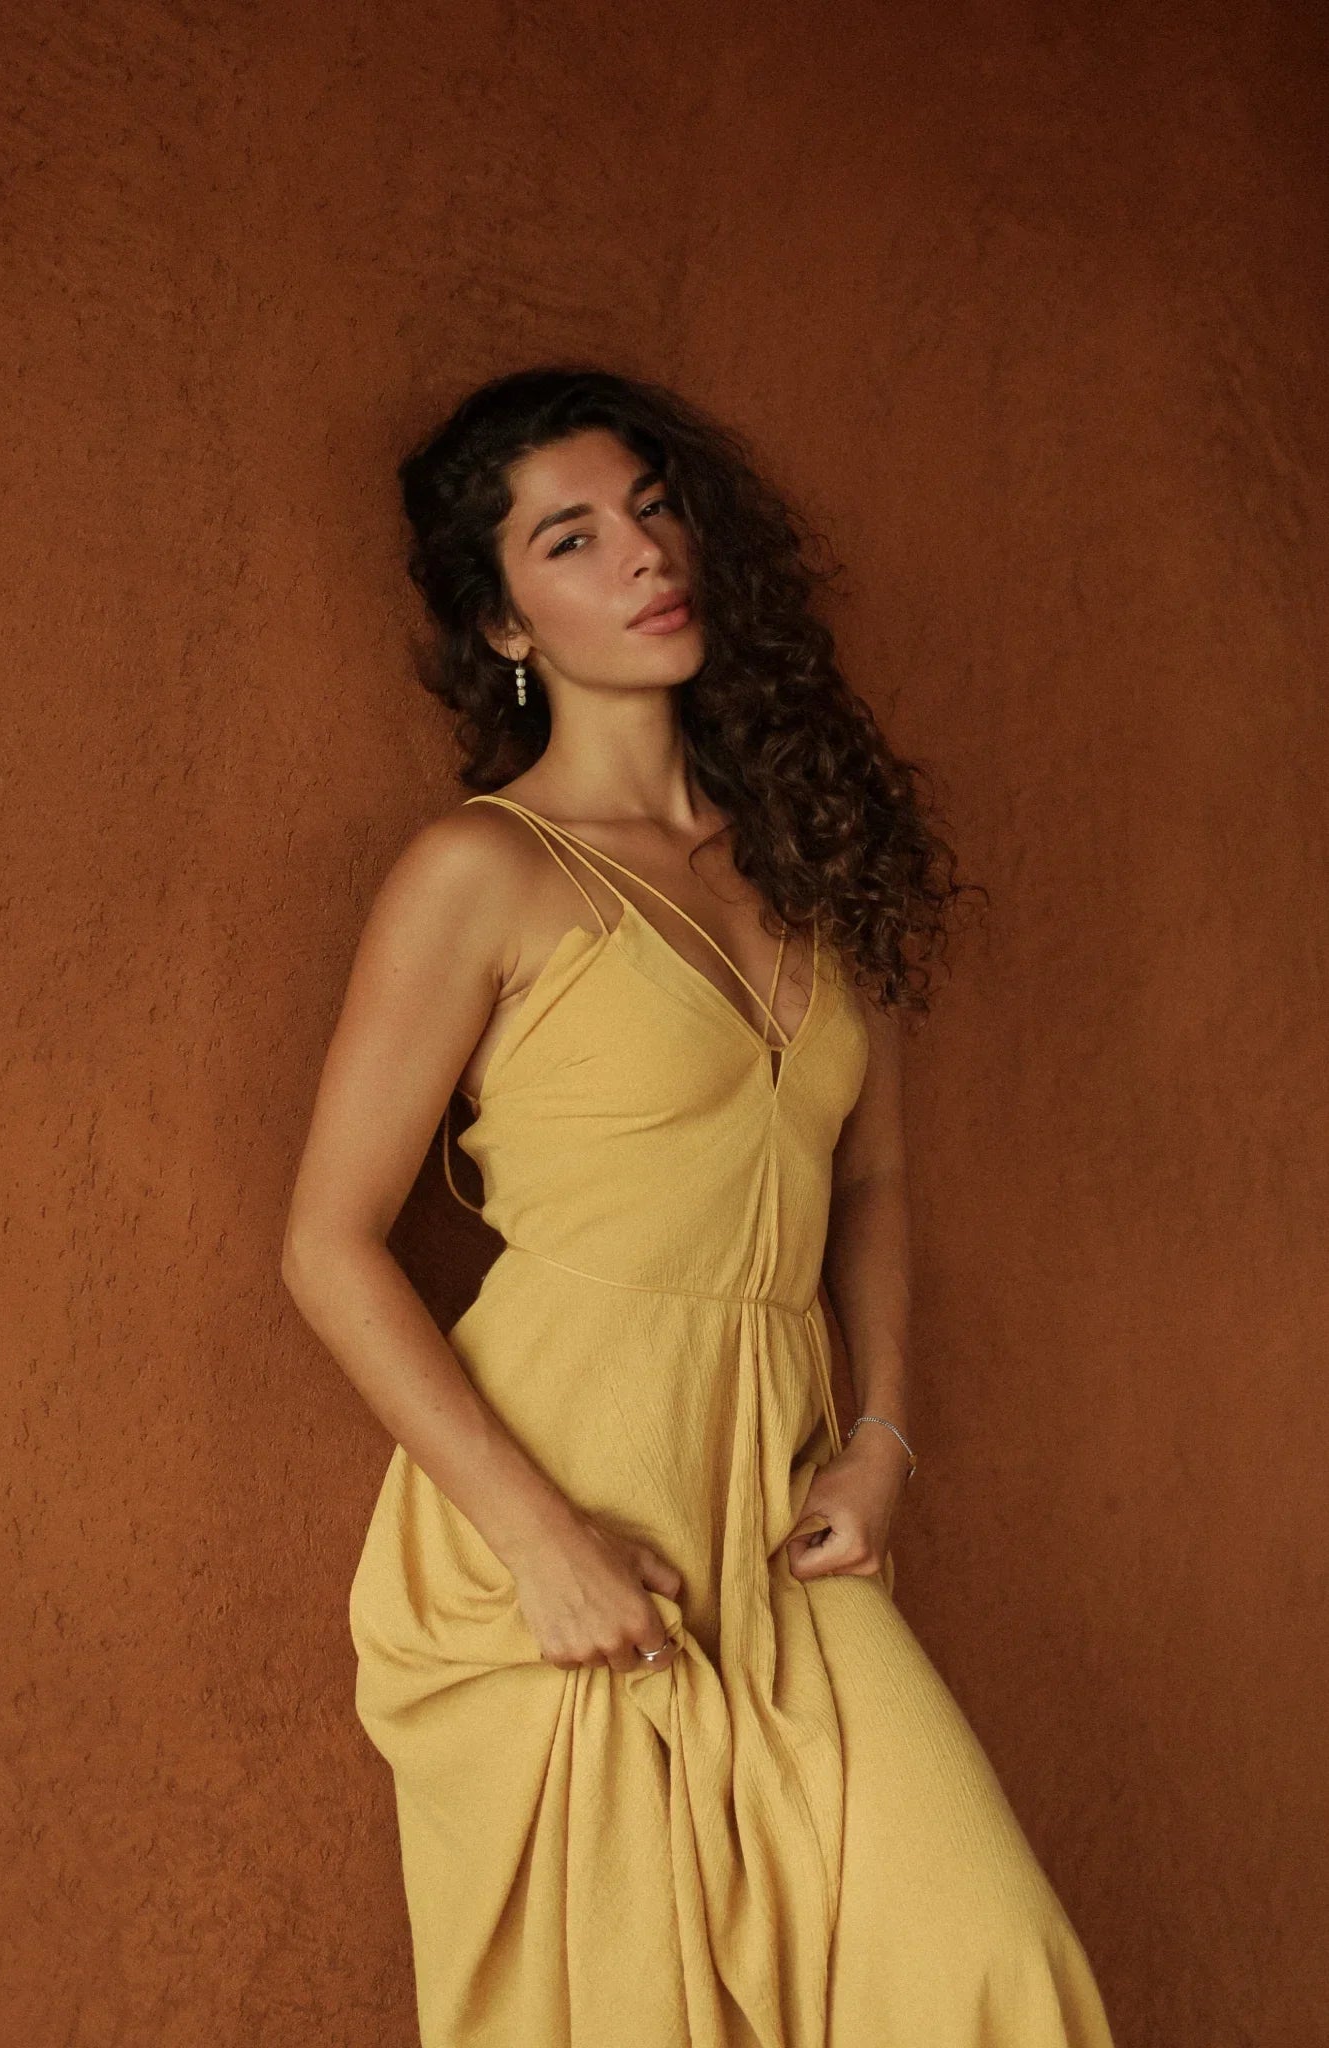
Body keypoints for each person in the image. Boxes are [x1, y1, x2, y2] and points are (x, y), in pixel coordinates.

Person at [280, 366, 1117, 2047]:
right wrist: (542, 1545)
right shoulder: (483, 872)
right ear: (502, 618)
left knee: (991, 1967)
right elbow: (325, 1243)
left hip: (780, 1516)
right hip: (566, 1520)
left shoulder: (797, 859)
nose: (642, 557)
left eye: (652, 510)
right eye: (570, 538)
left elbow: (867, 1176)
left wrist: (882, 1438)